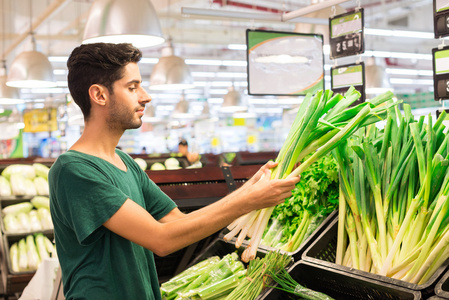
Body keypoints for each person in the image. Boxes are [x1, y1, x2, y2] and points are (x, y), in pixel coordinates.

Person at [48, 43, 300, 300]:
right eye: (132, 87)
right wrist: (249, 200)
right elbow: (161, 239)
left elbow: (177, 222)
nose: (145, 96)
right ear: (99, 95)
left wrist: (249, 189)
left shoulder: (125, 162)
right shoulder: (73, 170)